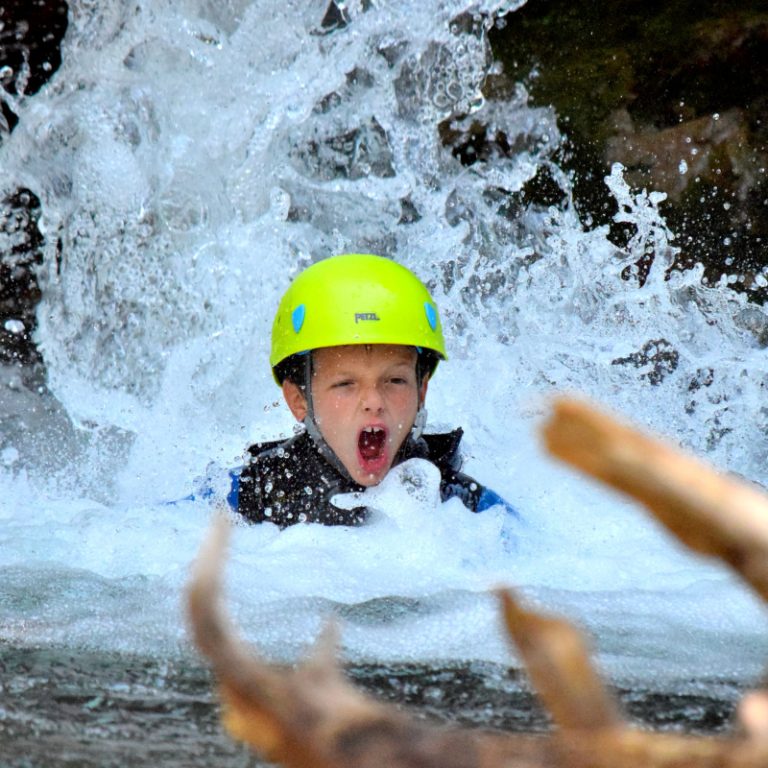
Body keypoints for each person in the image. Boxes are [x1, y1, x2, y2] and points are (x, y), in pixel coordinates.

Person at [233, 253, 516, 527]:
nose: (373, 401)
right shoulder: (257, 491)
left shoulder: (461, 506)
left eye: (394, 381)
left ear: (421, 392)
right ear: (298, 400)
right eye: (345, 384)